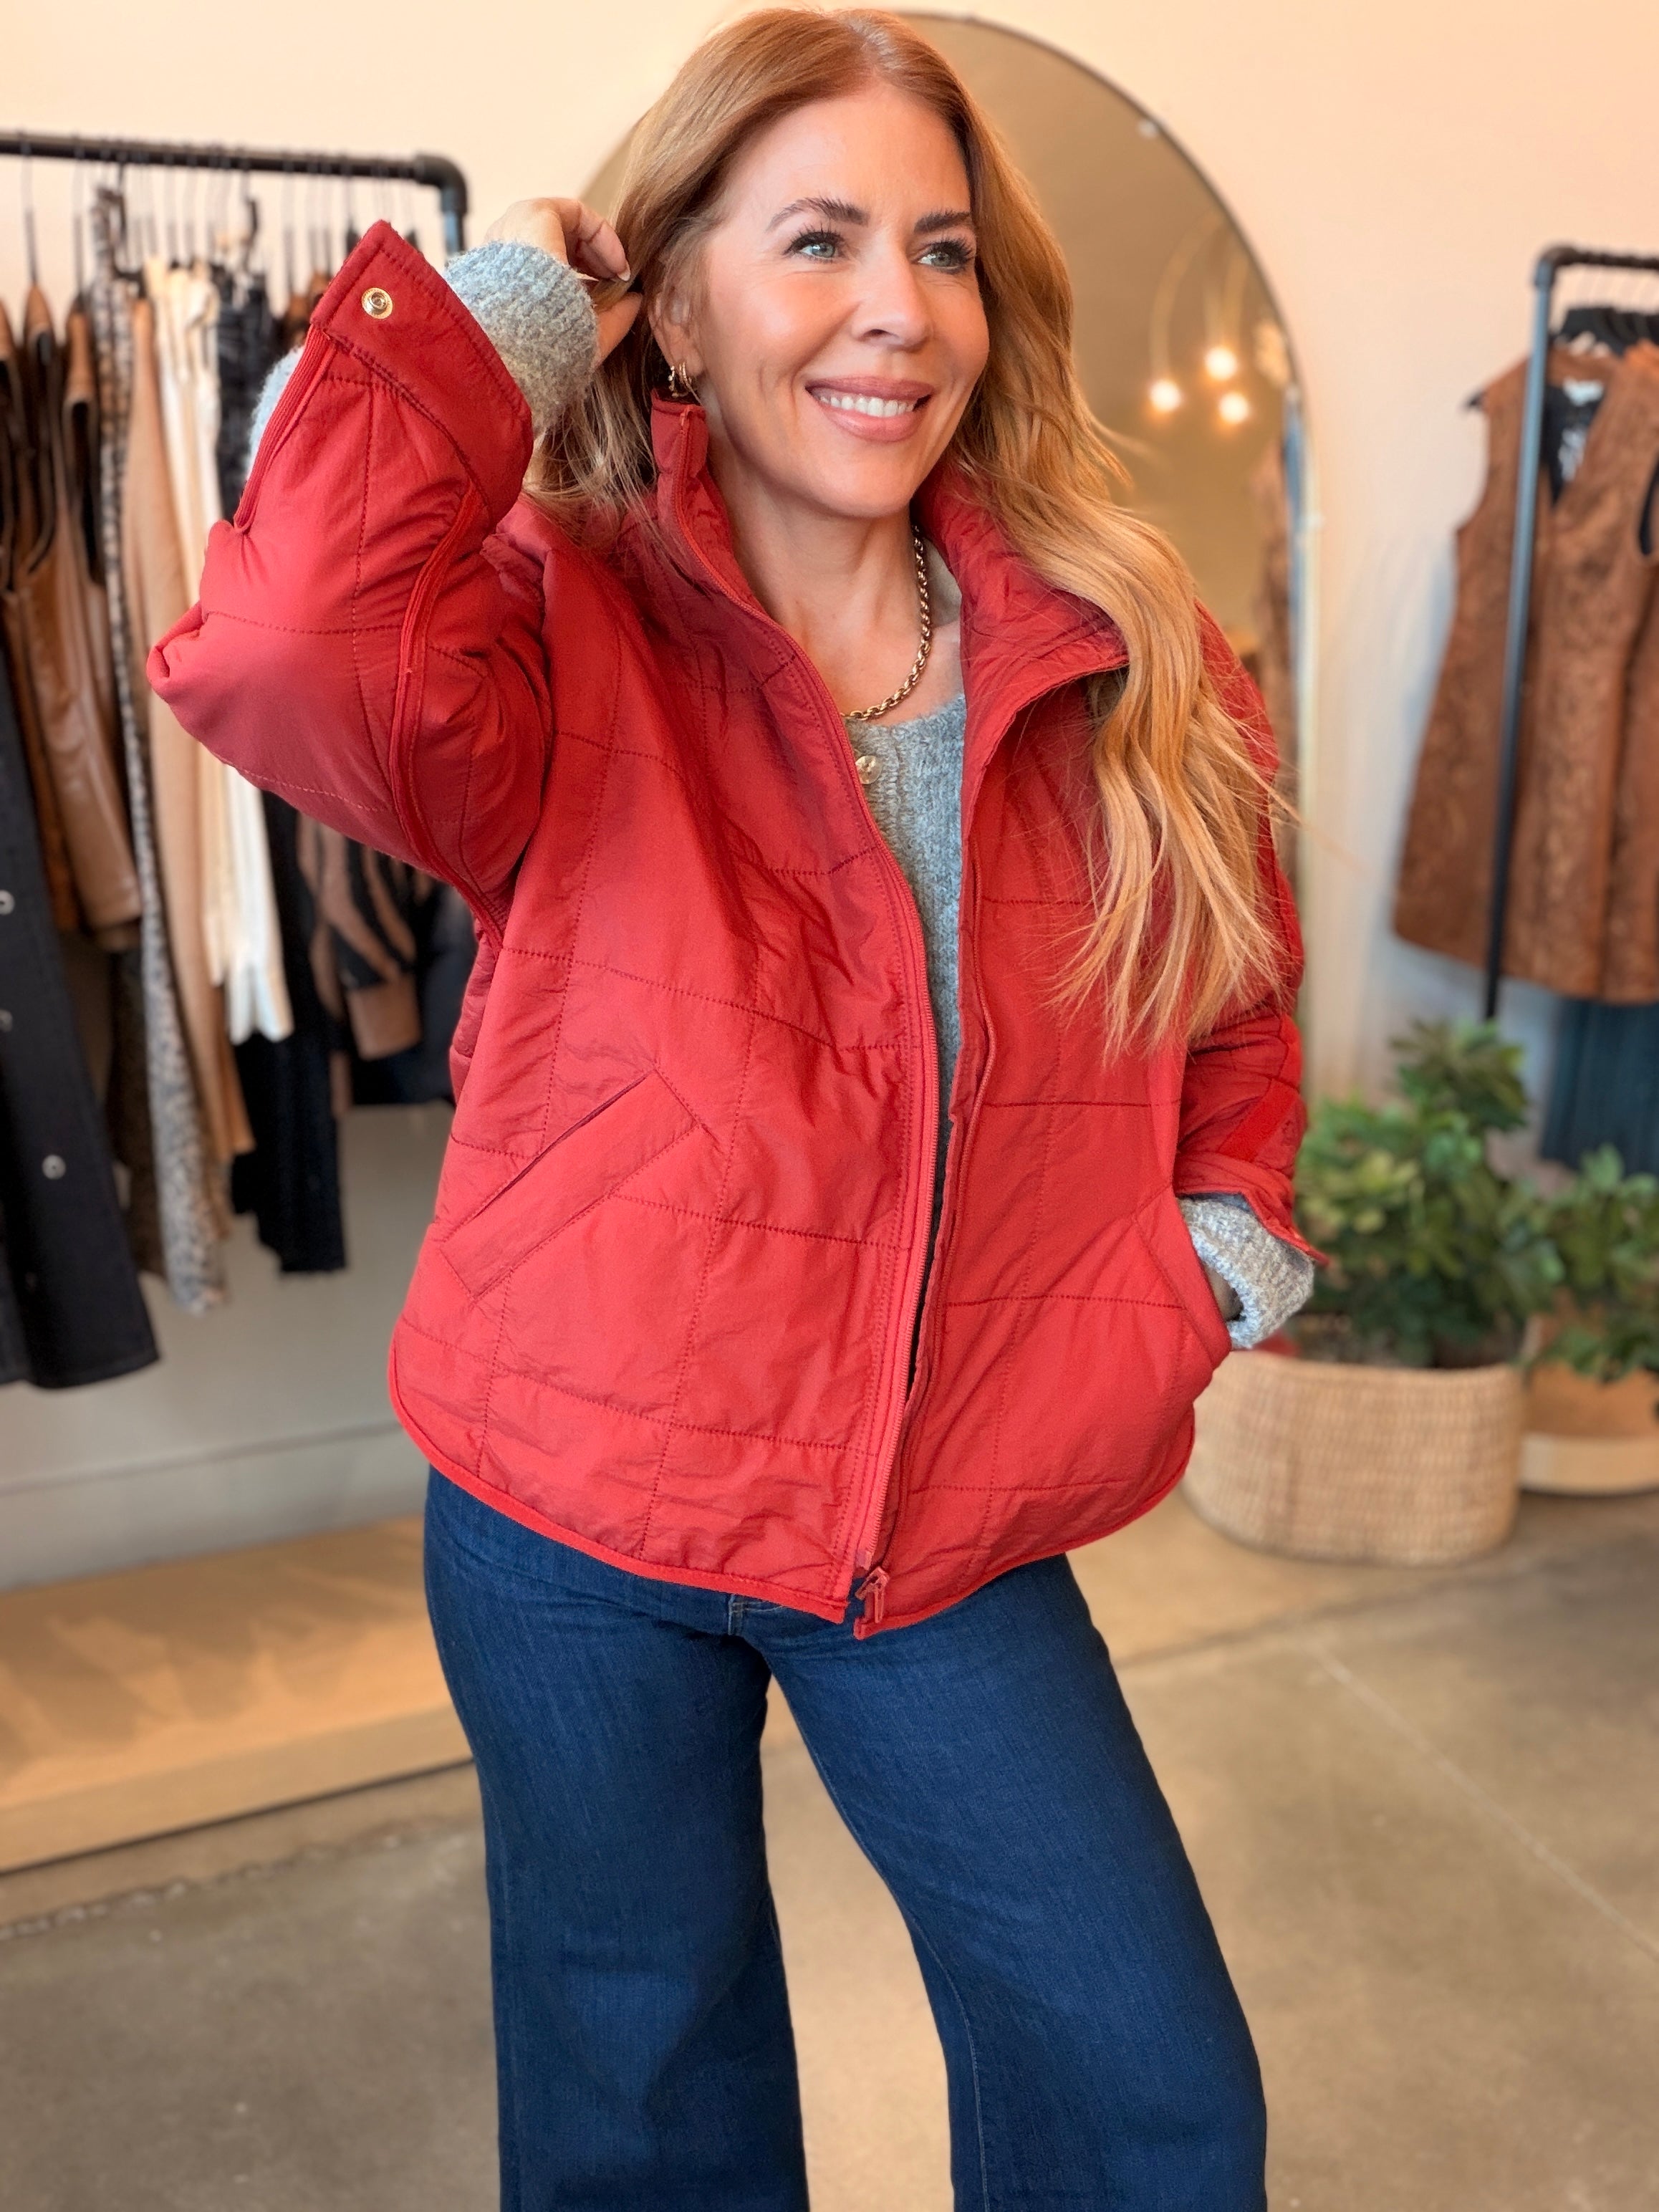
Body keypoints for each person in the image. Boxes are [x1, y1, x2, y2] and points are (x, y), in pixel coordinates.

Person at [155, 11, 1314, 2206]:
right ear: (674, 308)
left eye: (941, 250)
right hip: (576, 1509)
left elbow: (1230, 994)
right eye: (817, 242)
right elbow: (278, 641)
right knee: (643, 2108)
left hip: (949, 1495)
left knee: (1145, 2094)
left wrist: (1210, 1245)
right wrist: (508, 318)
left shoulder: (1129, 646)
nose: (900, 309)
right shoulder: (545, 624)